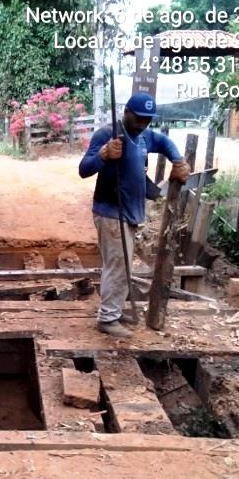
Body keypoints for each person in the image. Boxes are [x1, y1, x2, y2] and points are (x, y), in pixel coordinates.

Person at [79, 92, 191, 338]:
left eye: (148, 120)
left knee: (122, 265)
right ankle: (107, 319)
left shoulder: (143, 137)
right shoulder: (107, 135)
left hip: (130, 213)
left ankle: (114, 312)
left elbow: (163, 142)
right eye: (139, 118)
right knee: (118, 266)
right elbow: (84, 169)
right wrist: (104, 155)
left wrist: (178, 160)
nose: (143, 124)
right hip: (111, 213)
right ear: (126, 112)